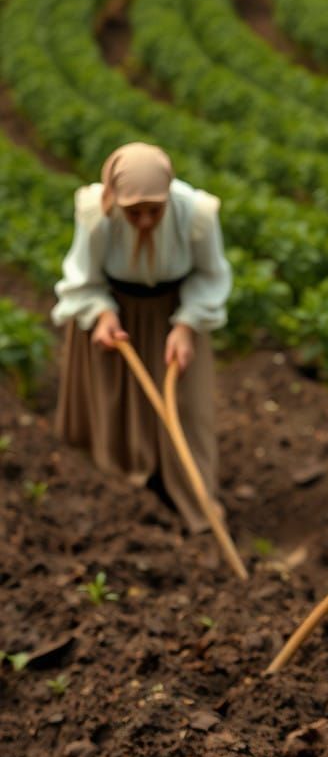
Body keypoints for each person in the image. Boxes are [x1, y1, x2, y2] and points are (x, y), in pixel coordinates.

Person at [52, 142, 231, 533]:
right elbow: (84, 278)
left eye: (155, 210)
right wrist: (101, 315)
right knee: (116, 402)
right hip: (117, 316)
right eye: (134, 213)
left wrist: (186, 326)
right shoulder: (96, 215)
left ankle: (195, 503)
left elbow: (211, 274)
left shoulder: (196, 214)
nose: (146, 221)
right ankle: (126, 503)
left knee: (186, 409)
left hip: (175, 314)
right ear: (115, 199)